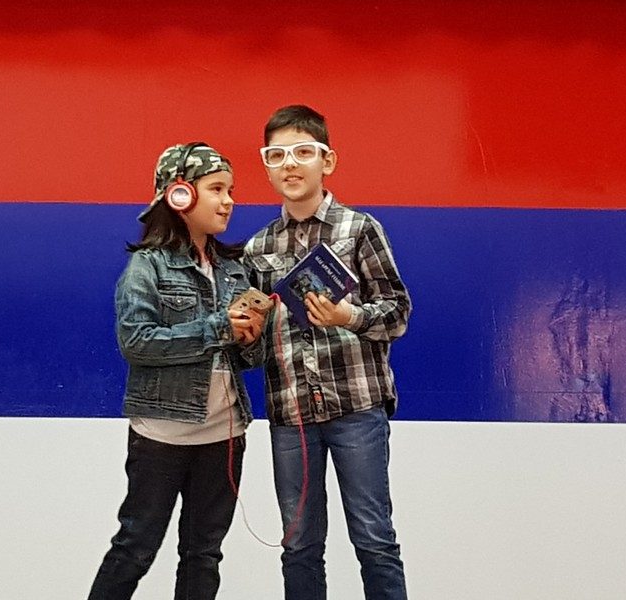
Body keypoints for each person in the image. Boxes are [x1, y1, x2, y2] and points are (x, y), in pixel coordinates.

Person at [243, 105, 411, 600]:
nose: (290, 164)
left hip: (356, 407)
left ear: (328, 161)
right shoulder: (256, 248)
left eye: (303, 152)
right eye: (276, 155)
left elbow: (398, 313)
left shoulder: (359, 229)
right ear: (266, 167)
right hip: (291, 414)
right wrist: (246, 334)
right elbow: (255, 347)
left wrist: (347, 316)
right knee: (298, 545)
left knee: (374, 540)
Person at [89, 142, 266, 600]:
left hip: (224, 436)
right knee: (135, 549)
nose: (229, 201)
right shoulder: (146, 265)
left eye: (231, 190)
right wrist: (218, 327)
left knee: (203, 555)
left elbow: (247, 358)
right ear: (180, 195)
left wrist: (251, 338)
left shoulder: (233, 268)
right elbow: (136, 342)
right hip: (161, 437)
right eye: (217, 189)